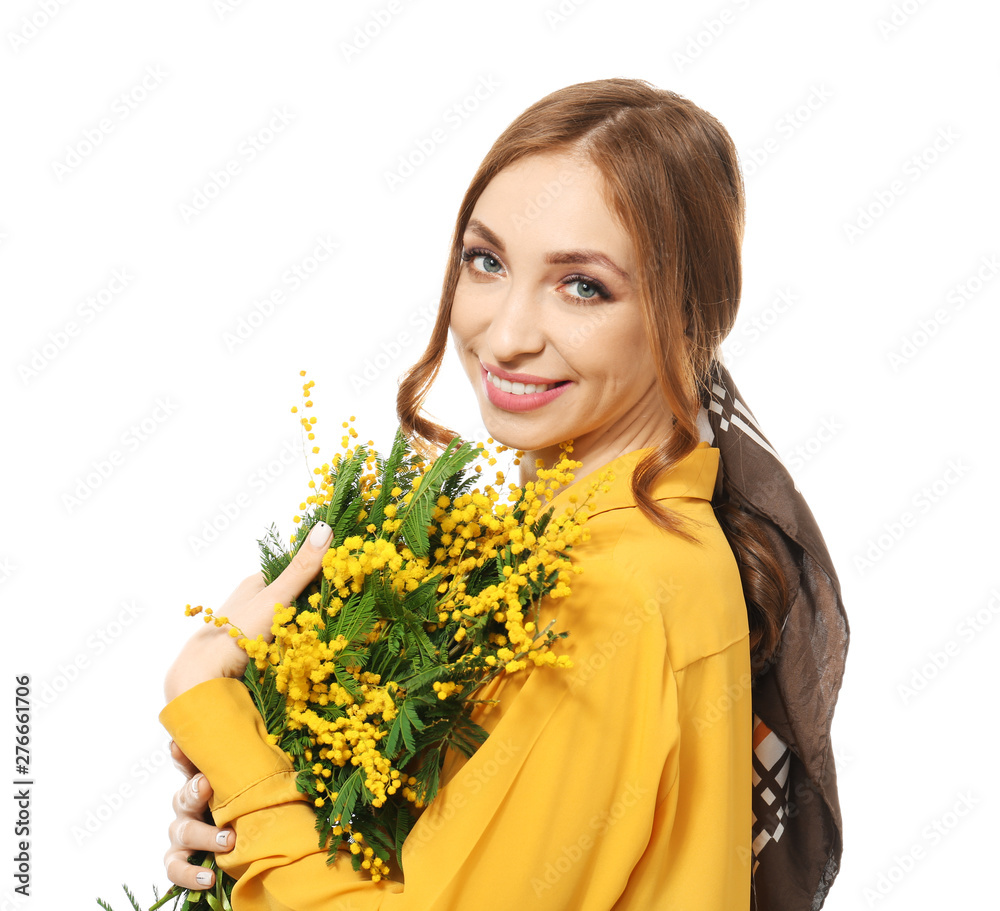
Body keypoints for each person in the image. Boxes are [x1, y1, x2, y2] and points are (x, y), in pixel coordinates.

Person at [159, 77, 848, 910]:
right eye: (486, 261)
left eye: (582, 285)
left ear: (688, 317)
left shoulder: (617, 595)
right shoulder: (565, 550)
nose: (507, 334)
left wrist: (210, 705)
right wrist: (246, 819)